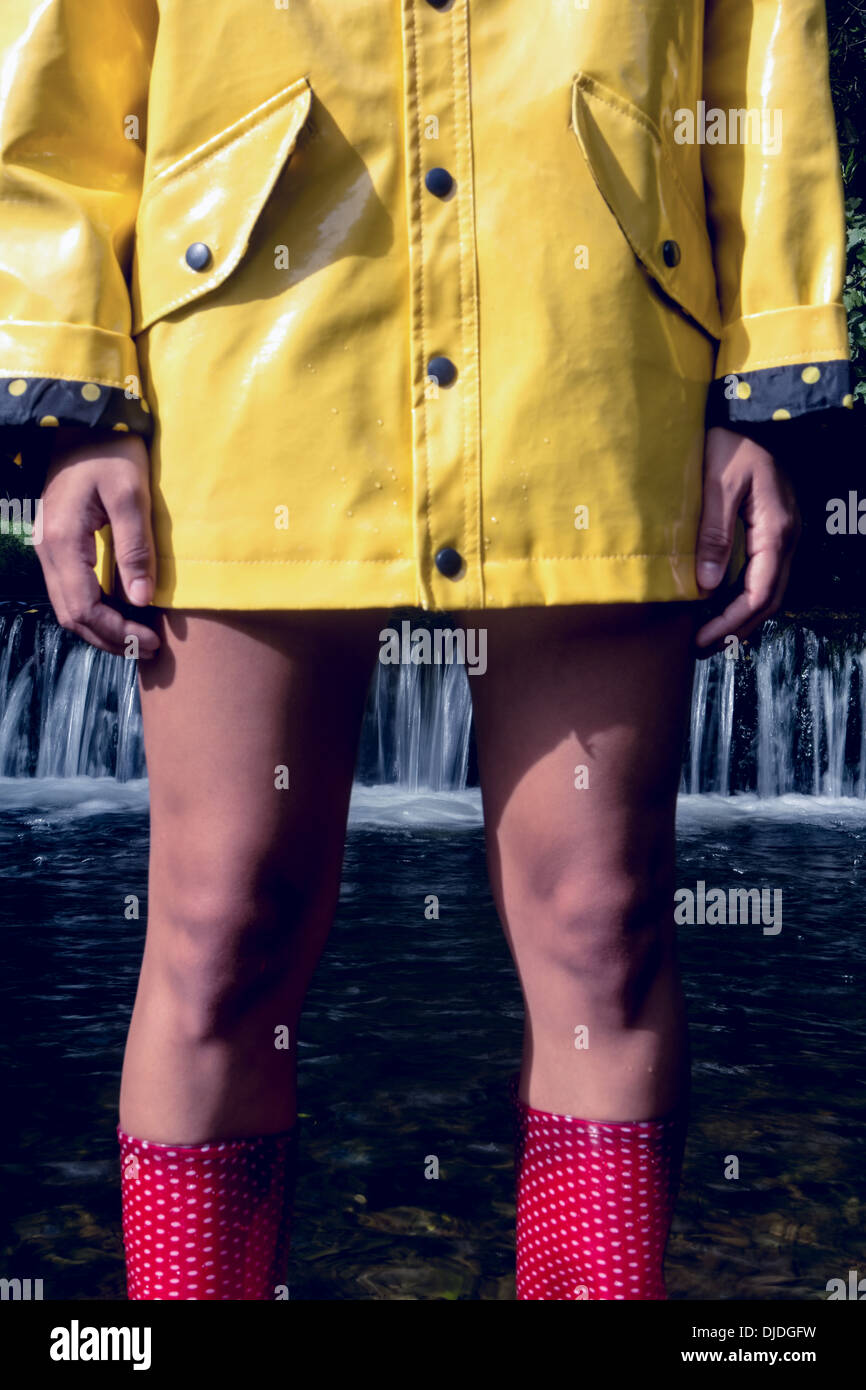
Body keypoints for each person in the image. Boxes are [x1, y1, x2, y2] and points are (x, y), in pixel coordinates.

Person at [0, 0, 851, 1300]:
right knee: (220, 925)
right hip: (241, 333)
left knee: (601, 921)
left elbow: (758, 33)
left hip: (596, 324)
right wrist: (72, 394)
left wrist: (764, 371)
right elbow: (66, 47)